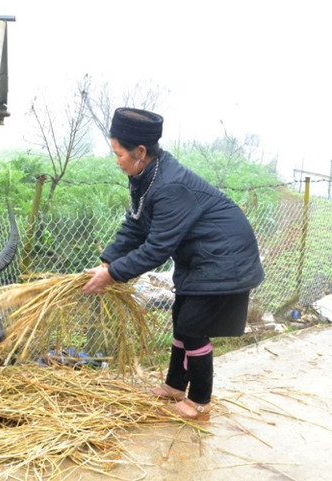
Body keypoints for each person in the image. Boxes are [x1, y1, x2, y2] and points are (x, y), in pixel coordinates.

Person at [82, 107, 264, 420]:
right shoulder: (145, 176)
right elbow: (136, 225)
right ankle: (175, 386)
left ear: (140, 152)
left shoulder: (169, 187)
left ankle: (200, 399)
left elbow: (156, 249)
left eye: (118, 153)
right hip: (202, 258)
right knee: (182, 318)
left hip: (225, 259)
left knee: (193, 326)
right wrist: (107, 262)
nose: (116, 161)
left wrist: (112, 275)